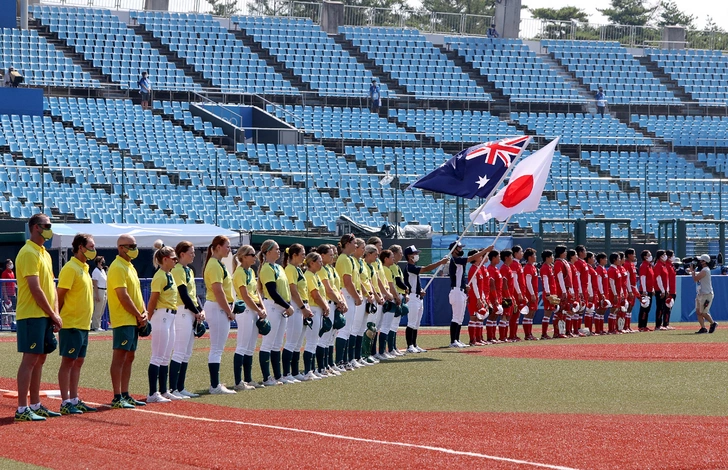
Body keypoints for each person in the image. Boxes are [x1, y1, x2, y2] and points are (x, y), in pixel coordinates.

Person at [14, 214, 62, 421]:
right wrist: (52, 313)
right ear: (35, 228)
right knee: (30, 359)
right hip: (32, 314)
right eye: (47, 225)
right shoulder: (28, 253)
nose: (50, 229)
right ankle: (22, 408)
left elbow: (51, 285)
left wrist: (55, 313)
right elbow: (35, 288)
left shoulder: (44, 253)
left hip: (44, 315)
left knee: (40, 359)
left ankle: (35, 404)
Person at [56, 233, 98, 415]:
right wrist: (57, 317)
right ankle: (65, 401)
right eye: (90, 246)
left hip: (83, 324)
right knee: (68, 362)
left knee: (78, 362)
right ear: (80, 247)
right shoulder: (70, 268)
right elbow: (60, 295)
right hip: (71, 323)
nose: (93, 250)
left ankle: (74, 398)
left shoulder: (85, 268)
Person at [108, 234, 147, 409]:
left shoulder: (130, 266)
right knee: (120, 357)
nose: (134, 248)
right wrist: (139, 314)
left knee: (129, 357)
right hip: (123, 319)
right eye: (130, 245)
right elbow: (122, 296)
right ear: (121, 248)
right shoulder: (117, 267)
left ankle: (125, 393)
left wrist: (144, 312)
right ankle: (117, 396)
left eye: (135, 245)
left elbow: (137, 294)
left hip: (133, 319)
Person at [169, 241, 204, 398]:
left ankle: (180, 387)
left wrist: (200, 310)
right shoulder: (177, 270)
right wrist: (197, 311)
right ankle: (173, 388)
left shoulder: (188, 270)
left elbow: (193, 294)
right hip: (182, 311)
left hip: (190, 312)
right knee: (179, 351)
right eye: (191, 252)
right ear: (181, 254)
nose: (193, 254)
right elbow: (183, 294)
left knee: (186, 352)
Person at [146, 246, 179, 403]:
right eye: (173, 258)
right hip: (161, 316)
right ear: (165, 259)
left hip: (171, 316)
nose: (175, 261)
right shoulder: (160, 276)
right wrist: (147, 318)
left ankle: (164, 390)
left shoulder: (169, 275)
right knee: (157, 356)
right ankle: (153, 393)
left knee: (166, 357)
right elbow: (153, 300)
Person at [203, 235, 236, 394]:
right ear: (217, 247)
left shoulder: (218, 263)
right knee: (216, 348)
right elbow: (218, 291)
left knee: (218, 347)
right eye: (227, 246)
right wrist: (229, 311)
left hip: (219, 306)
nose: (229, 249)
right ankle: (215, 386)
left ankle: (215, 384)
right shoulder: (215, 264)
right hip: (217, 307)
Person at [258, 239, 293, 385]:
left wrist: (286, 305)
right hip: (273, 306)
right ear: (267, 252)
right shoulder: (266, 268)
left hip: (281, 308)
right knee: (268, 343)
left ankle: (278, 376)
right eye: (276, 249)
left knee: (277, 343)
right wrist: (287, 306)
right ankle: (267, 377)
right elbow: (272, 291)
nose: (279, 251)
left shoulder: (278, 267)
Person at [232, 245, 266, 390]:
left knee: (251, 346)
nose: (255, 257)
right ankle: (238, 382)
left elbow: (256, 291)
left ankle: (248, 379)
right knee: (242, 345)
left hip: (253, 309)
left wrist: (262, 306)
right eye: (252, 254)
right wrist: (258, 309)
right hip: (245, 310)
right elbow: (245, 295)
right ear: (244, 257)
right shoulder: (239, 272)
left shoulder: (250, 271)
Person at [403, 245, 448, 353]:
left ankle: (414, 344)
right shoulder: (410, 267)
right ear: (409, 256)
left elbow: (415, 282)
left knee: (417, 323)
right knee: (411, 323)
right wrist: (440, 262)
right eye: (415, 254)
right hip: (412, 298)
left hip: (418, 297)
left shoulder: (413, 267)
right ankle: (409, 346)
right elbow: (425, 269)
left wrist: (421, 290)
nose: (417, 255)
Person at [448, 242, 492, 348]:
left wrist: (465, 286)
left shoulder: (459, 261)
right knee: (456, 317)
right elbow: (470, 258)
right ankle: (453, 340)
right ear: (454, 250)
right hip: (456, 291)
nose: (461, 249)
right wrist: (485, 250)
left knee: (460, 318)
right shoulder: (455, 260)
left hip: (461, 291)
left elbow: (460, 277)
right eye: (459, 248)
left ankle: (457, 339)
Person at [282, 244, 312, 383]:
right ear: (294, 255)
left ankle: (294, 371)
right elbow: (293, 291)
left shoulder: (296, 269)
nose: (304, 256)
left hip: (301, 305)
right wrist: (302, 307)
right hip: (295, 305)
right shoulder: (290, 269)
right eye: (302, 253)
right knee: (291, 341)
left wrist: (305, 306)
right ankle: (286, 373)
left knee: (298, 341)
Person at [317, 244, 347, 375]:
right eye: (331, 253)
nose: (333, 256)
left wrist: (342, 301)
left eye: (334, 253)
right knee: (323, 338)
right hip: (327, 303)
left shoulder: (331, 269)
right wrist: (339, 301)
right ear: (322, 255)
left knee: (330, 338)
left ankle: (329, 364)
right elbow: (328, 290)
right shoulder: (322, 269)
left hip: (334, 303)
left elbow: (337, 288)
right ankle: (321, 367)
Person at [302, 252, 329, 380]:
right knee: (312, 341)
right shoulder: (309, 275)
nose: (321, 263)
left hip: (317, 309)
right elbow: (315, 295)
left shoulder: (315, 275)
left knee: (314, 341)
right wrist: (325, 306)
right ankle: (308, 371)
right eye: (319, 261)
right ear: (311, 263)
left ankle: (312, 369)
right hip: (313, 308)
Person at [335, 234, 361, 367]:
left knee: (349, 329)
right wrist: (356, 296)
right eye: (354, 243)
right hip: (346, 293)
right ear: (348, 243)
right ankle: (339, 360)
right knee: (345, 329)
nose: (356, 245)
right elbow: (347, 282)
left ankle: (343, 360)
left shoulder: (349, 259)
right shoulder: (344, 258)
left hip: (350, 294)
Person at [688, 254, 718, 334]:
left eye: (701, 260)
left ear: (705, 262)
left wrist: (692, 271)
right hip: (701, 293)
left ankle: (713, 323)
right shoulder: (704, 270)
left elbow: (695, 279)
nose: (699, 262)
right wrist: (693, 271)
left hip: (706, 294)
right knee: (698, 311)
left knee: (703, 312)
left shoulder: (705, 270)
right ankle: (703, 328)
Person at [466, 249, 488, 346]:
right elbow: (474, 285)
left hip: (478, 296)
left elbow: (480, 286)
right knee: (473, 317)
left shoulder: (478, 269)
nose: (481, 257)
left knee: (479, 317)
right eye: (479, 255)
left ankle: (478, 339)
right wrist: (478, 298)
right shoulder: (473, 269)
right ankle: (472, 340)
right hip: (474, 296)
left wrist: (482, 297)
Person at [540, 250, 556, 340]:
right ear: (547, 258)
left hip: (551, 292)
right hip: (548, 293)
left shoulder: (549, 267)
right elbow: (545, 281)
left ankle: (545, 333)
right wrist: (548, 293)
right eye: (551, 256)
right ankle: (544, 334)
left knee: (549, 313)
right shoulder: (545, 268)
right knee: (547, 313)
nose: (553, 258)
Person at [638, 250, 654, 332]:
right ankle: (641, 325)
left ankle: (644, 325)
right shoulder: (644, 265)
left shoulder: (649, 266)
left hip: (649, 289)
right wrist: (644, 290)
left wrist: (652, 289)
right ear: (645, 257)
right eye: (649, 255)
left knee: (647, 309)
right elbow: (643, 278)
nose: (651, 256)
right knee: (644, 308)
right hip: (645, 290)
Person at [653, 250, 669, 331]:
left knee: (663, 307)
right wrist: (662, 290)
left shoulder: (663, 265)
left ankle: (662, 324)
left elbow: (666, 279)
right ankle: (658, 325)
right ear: (660, 256)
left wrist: (667, 289)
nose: (666, 256)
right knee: (659, 307)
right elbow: (658, 279)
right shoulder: (658, 265)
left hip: (664, 289)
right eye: (664, 254)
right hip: (659, 290)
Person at [91, 256, 107, 331]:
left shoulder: (102, 271)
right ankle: (95, 326)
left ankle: (98, 325)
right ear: (98, 262)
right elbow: (95, 283)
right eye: (102, 261)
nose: (103, 262)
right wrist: (97, 295)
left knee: (101, 309)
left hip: (104, 290)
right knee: (97, 309)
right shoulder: (96, 271)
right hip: (99, 290)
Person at [664, 250, 677, 330]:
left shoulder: (671, 265)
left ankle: (666, 323)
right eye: (673, 255)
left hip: (673, 289)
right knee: (667, 308)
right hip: (669, 290)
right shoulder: (667, 266)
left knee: (669, 307)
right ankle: (665, 324)